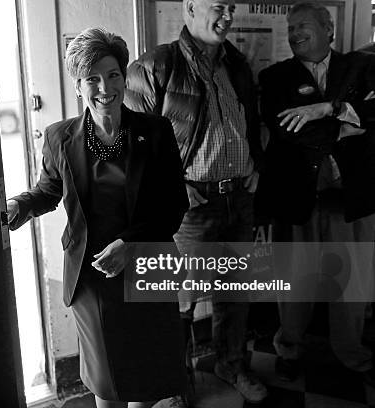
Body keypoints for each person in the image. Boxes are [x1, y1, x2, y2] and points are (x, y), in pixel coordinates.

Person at [7, 28, 189, 408]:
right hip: (93, 277)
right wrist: (19, 206)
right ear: (78, 86)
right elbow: (48, 190)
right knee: (106, 382)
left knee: (146, 376)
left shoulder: (155, 131)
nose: (105, 87)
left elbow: (174, 205)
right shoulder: (60, 137)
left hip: (146, 264)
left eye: (113, 75)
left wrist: (131, 245)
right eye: (92, 78)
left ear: (124, 78)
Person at [124, 0, 267, 403]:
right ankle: (174, 383)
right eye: (218, 6)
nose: (227, 16)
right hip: (189, 208)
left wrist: (255, 164)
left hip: (238, 199)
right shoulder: (155, 67)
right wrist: (170, 187)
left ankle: (230, 363)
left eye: (232, 7)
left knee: (235, 293)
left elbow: (249, 123)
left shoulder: (236, 63)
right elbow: (131, 147)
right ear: (189, 7)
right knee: (178, 302)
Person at [258, 1, 375, 384]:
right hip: (297, 198)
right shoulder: (276, 77)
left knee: (353, 287)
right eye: (290, 28)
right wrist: (348, 124)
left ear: (329, 30)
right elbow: (285, 131)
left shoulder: (363, 67)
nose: (294, 34)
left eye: (303, 25)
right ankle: (289, 347)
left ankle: (352, 355)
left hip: (351, 201)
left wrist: (328, 107)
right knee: (294, 285)